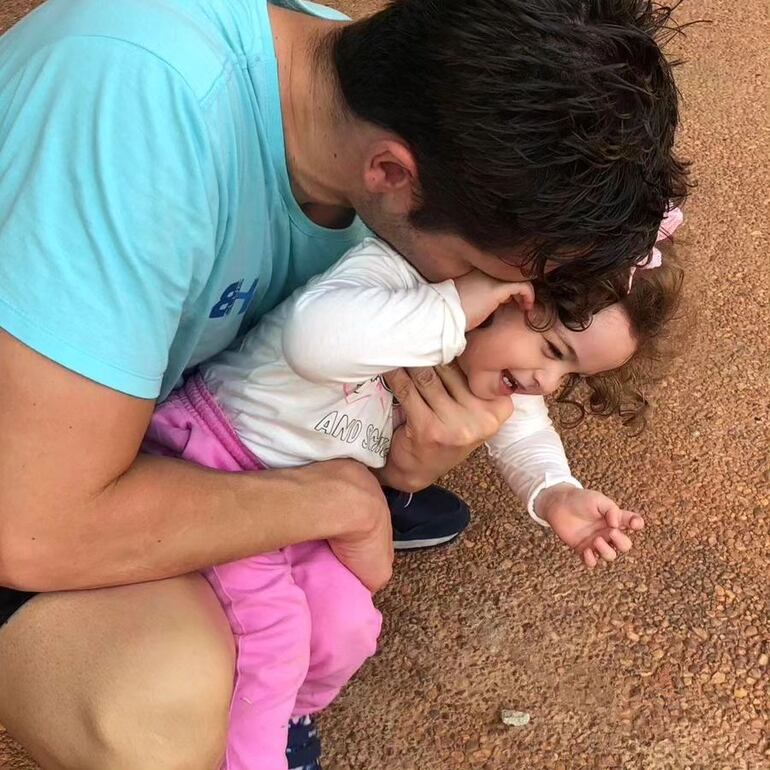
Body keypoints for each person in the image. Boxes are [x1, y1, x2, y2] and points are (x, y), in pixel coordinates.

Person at [0, 0, 688, 768]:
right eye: (501, 280)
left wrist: (401, 473)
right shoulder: (137, 109)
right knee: (160, 703)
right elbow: (30, 526)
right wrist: (341, 500)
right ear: (392, 174)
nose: (495, 304)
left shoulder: (393, 99)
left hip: (191, 430)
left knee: (317, 621)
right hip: (39, 463)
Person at [141, 228, 683, 769]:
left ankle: (287, 717)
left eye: (571, 373)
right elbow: (313, 341)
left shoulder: (492, 365)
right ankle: (249, 755)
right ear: (512, 291)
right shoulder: (396, 278)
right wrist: (452, 309)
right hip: (219, 468)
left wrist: (556, 491)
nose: (548, 382)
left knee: (349, 626)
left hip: (307, 507)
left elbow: (525, 434)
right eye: (553, 351)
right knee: (274, 637)